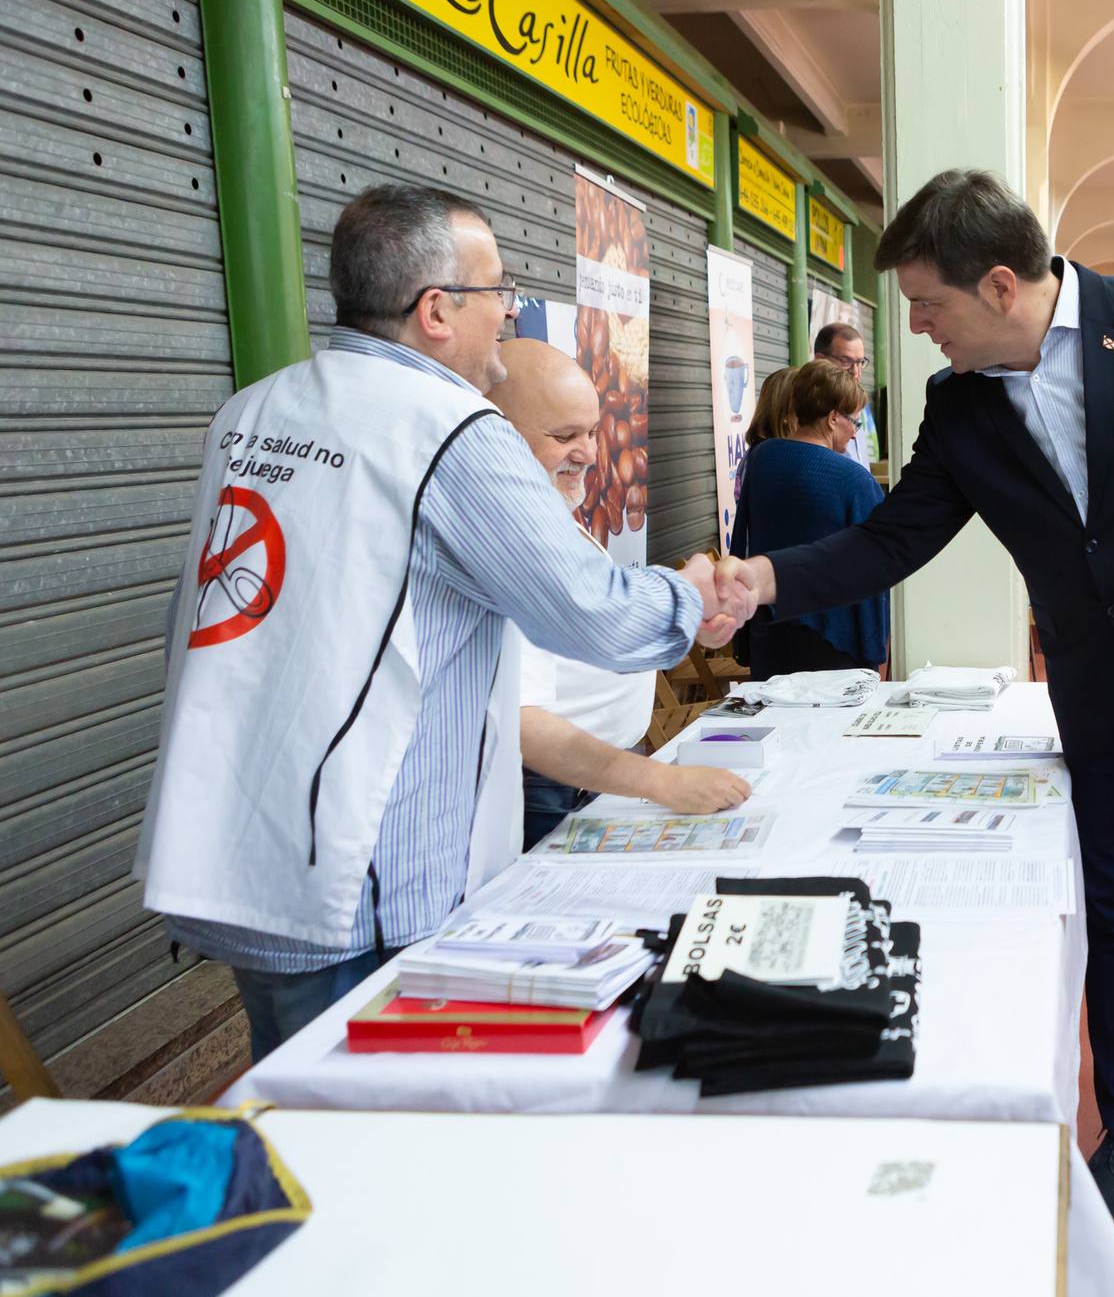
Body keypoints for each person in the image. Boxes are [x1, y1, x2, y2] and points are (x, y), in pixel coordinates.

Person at [715, 168, 1114, 1218]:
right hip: (1102, 686)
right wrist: (764, 580)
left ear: (1001, 286)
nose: (917, 331)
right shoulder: (960, 407)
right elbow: (891, 538)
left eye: (928, 306)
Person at [134, 185, 742, 1062]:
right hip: (363, 877)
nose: (508, 312)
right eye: (498, 291)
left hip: (240, 849)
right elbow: (591, 614)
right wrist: (692, 594)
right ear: (435, 310)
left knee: (293, 1101)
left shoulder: (255, 409)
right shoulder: (448, 427)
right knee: (370, 1122)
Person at [492, 338, 752, 847]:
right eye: (565, 434)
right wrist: (662, 782)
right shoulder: (504, 536)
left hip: (596, 776)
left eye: (591, 431)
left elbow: (589, 621)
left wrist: (682, 624)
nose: (589, 452)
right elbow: (520, 721)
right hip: (554, 788)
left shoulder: (548, 513)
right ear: (496, 436)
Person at [733, 358, 890, 676]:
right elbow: (874, 574)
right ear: (833, 418)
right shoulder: (855, 481)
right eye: (855, 423)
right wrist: (877, 651)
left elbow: (743, 539)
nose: (856, 435)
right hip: (835, 644)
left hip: (769, 629)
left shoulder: (762, 459)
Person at [813, 321, 877, 470]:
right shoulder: (810, 411)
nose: (856, 371)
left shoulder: (859, 406)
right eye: (846, 361)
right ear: (820, 360)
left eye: (860, 362)